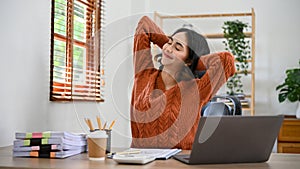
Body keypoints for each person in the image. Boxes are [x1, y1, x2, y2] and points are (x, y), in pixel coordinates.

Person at [130, 16, 235, 150]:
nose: (168, 49)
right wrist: (167, 46)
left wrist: (194, 61)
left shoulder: (195, 90)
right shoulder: (144, 74)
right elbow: (144, 24)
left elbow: (227, 61)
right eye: (169, 42)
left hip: (179, 161)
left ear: (188, 60)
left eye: (178, 48)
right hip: (141, 161)